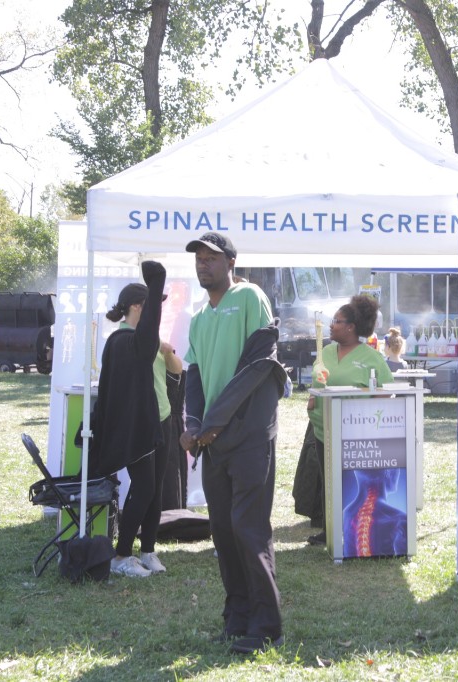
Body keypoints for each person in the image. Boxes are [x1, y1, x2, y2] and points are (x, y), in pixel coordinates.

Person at [179, 233, 287, 654]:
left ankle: (267, 628)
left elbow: (258, 364)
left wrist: (214, 423)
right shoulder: (200, 317)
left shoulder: (250, 296)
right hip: (214, 439)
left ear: (230, 262)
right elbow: (195, 375)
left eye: (211, 258)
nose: (203, 264)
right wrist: (193, 423)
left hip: (248, 435)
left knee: (248, 528)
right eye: (199, 259)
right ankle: (238, 617)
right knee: (223, 531)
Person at [85, 261, 174, 578]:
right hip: (139, 428)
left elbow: (168, 363)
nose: (156, 314)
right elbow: (146, 339)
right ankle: (121, 556)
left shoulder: (139, 343)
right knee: (144, 488)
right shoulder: (122, 342)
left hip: (161, 419)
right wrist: (156, 282)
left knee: (155, 489)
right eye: (152, 306)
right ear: (138, 307)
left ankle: (147, 550)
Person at [292, 294, 394, 545]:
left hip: (354, 434)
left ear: (351, 327)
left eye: (337, 321)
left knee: (351, 483)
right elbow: (319, 380)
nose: (331, 325)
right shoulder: (326, 351)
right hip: (322, 429)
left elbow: (387, 392)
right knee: (328, 481)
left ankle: (352, 531)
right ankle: (329, 531)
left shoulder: (372, 358)